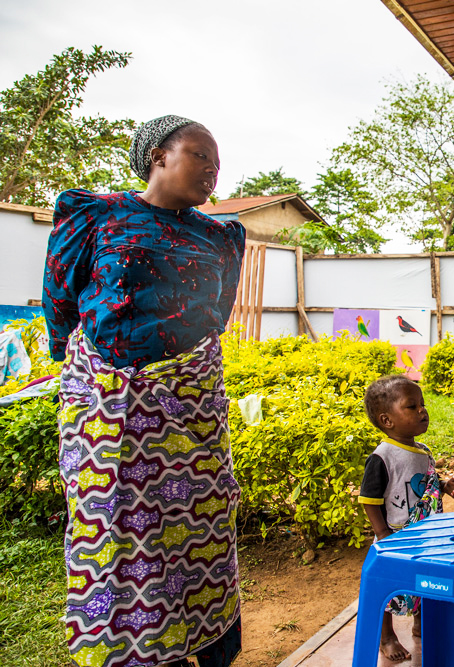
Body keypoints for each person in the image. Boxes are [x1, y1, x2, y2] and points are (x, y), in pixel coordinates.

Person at [44, 115, 246, 667]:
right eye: (200, 155)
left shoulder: (221, 236)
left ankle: (204, 640)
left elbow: (216, 316)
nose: (213, 170)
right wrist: (100, 376)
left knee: (198, 529)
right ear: (158, 156)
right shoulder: (96, 215)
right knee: (116, 530)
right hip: (105, 408)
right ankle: (133, 648)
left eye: (217, 162)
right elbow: (60, 302)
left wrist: (171, 374)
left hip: (190, 410)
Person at [359, 375, 454, 663]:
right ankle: (386, 637)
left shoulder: (422, 450)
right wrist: (383, 534)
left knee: (424, 579)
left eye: (422, 404)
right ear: (387, 420)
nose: (422, 410)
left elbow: (425, 481)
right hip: (396, 535)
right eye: (412, 406)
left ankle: (420, 622)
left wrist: (444, 485)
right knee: (389, 587)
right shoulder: (383, 456)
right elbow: (369, 499)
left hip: (425, 533)